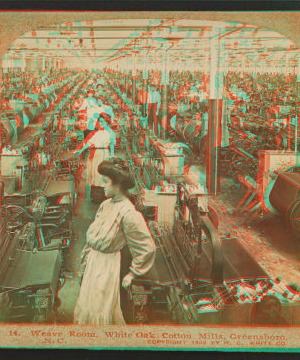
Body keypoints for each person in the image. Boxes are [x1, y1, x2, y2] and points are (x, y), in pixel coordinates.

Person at [73, 157, 156, 325]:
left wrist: (132, 273)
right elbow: (96, 235)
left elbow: (147, 247)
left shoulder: (128, 214)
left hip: (109, 269)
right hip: (94, 266)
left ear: (117, 185)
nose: (102, 185)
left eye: (105, 182)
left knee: (103, 313)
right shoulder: (105, 205)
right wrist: (86, 259)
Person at [72, 115, 116, 203]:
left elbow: (111, 144)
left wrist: (111, 155)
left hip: (103, 154)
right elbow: (90, 143)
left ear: (107, 122)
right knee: (95, 175)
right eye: (100, 121)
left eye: (102, 121)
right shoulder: (98, 132)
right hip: (96, 154)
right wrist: (81, 151)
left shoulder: (111, 133)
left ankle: (103, 197)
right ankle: (96, 197)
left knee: (102, 175)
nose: (100, 123)